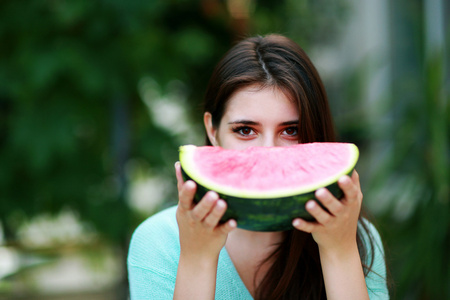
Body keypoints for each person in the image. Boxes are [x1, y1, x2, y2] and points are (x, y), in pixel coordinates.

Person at [127, 34, 389, 299]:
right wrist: (197, 259)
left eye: (291, 130)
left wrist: (339, 251)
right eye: (244, 130)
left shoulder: (356, 239)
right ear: (212, 130)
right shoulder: (159, 243)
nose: (268, 152)